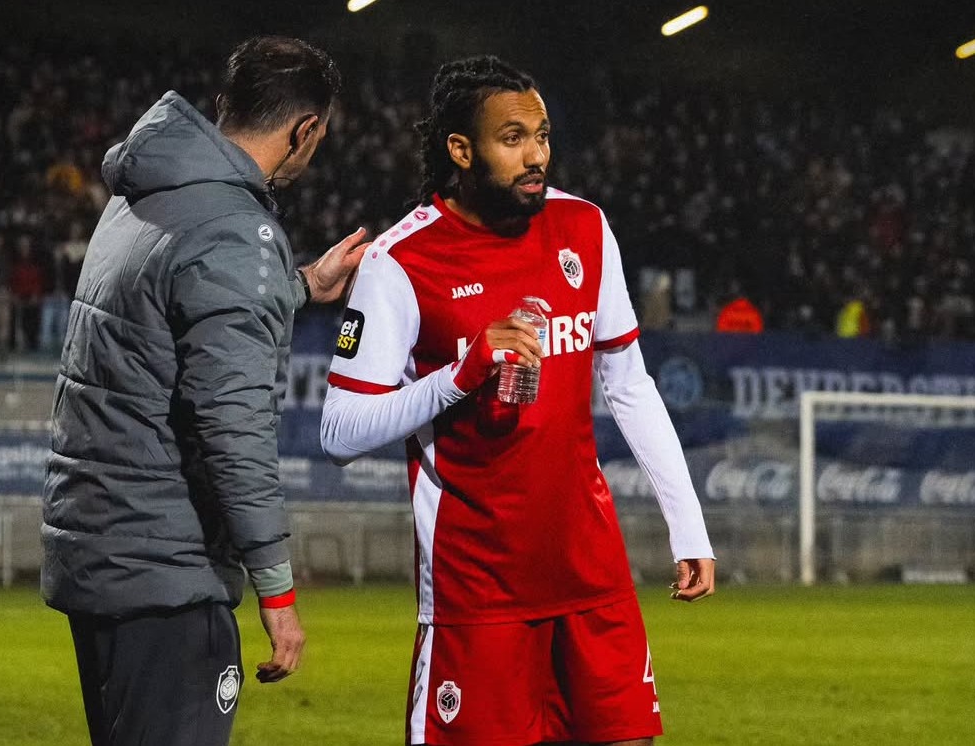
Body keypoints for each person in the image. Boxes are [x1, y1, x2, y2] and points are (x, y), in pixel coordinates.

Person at [321, 56, 715, 746]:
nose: (536, 155)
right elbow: (341, 430)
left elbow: (628, 384)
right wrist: (459, 374)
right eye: (513, 138)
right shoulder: (400, 262)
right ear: (461, 150)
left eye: (543, 135)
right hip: (479, 588)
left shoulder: (584, 229)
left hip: (591, 571)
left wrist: (688, 527)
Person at [41, 36, 367, 746]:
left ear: (224, 107)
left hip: (101, 552)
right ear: (306, 130)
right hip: (166, 571)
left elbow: (166, 320)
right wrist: (276, 590)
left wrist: (299, 285)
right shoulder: (231, 231)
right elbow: (234, 429)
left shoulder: (142, 197)